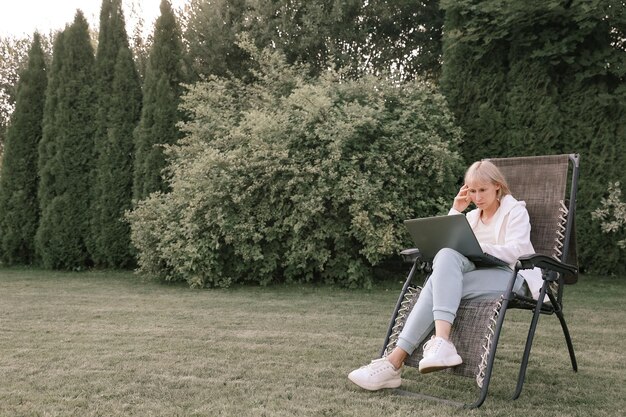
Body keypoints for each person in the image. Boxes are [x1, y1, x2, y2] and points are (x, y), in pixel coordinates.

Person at [348, 160, 543, 391]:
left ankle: (394, 362)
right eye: (472, 191)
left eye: (483, 190)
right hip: (478, 276)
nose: (478, 197)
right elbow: (447, 245)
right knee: (446, 255)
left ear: (497, 187)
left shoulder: (515, 211)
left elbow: (519, 251)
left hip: (512, 276)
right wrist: (456, 211)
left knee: (436, 286)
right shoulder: (470, 218)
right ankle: (439, 343)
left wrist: (480, 248)